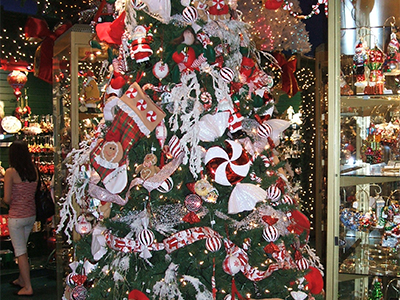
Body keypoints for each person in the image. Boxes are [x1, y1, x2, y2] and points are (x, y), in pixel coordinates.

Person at [3, 140, 38, 296]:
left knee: (20, 252)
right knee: (23, 247)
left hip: (16, 217)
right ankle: (21, 279)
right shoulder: (34, 171)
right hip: (31, 215)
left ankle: (28, 287)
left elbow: (7, 199)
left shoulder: (11, 172)